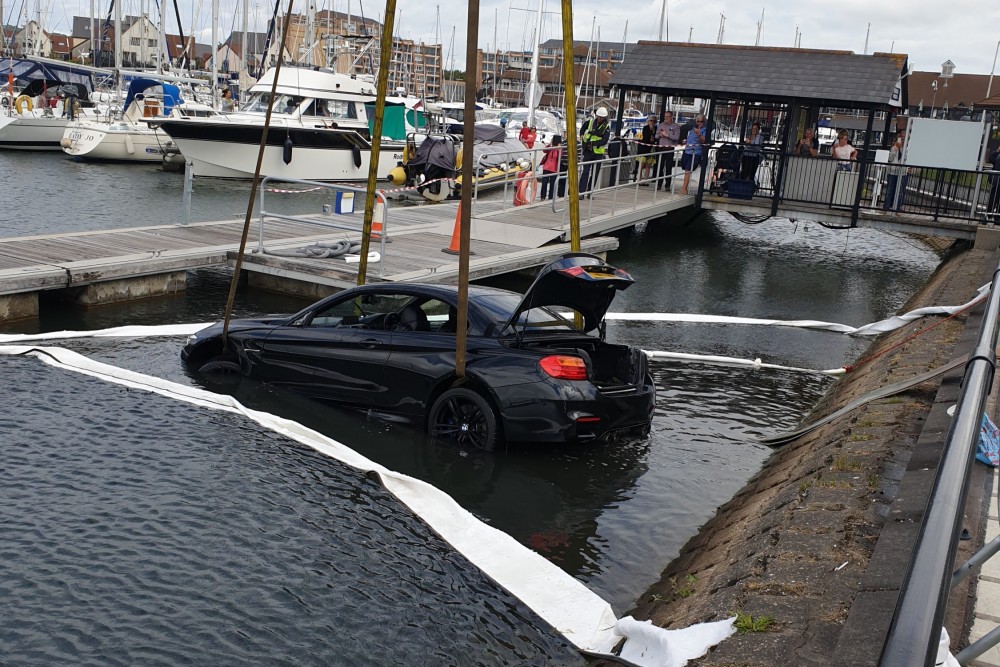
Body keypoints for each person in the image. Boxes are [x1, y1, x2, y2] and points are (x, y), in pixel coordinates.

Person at [579, 107, 611, 197]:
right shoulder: (590, 122)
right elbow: (583, 128)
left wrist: (593, 144)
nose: (600, 118)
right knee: (585, 172)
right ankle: (581, 192)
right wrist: (581, 135)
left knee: (595, 173)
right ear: (596, 115)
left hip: (598, 153)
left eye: (602, 117)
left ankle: (590, 192)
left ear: (604, 117)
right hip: (588, 152)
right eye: (599, 116)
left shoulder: (606, 127)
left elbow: (604, 140)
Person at [680, 114, 707, 195]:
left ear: (704, 122)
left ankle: (684, 189)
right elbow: (689, 139)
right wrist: (685, 141)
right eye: (697, 121)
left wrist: (698, 134)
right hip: (687, 151)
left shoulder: (705, 130)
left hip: (696, 153)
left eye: (701, 122)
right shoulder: (692, 129)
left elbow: (703, 141)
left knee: (688, 170)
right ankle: (684, 188)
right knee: (686, 170)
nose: (699, 123)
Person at [655, 110, 681, 190]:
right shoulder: (661, 125)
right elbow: (656, 136)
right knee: (660, 167)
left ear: (671, 117)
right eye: (665, 116)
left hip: (669, 149)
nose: (666, 118)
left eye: (667, 116)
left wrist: (667, 135)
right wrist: (660, 135)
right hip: (661, 148)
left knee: (668, 167)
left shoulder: (676, 126)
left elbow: (676, 137)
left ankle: (667, 185)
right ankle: (659, 184)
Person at [884, 130, 908, 211]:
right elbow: (890, 158)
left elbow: (905, 158)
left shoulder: (906, 149)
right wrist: (895, 148)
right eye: (901, 138)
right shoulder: (893, 148)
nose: (902, 140)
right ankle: (886, 207)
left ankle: (897, 207)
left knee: (900, 191)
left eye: (904, 139)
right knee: (889, 190)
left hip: (902, 172)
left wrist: (901, 148)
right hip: (892, 171)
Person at [539, 135, 563, 200]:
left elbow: (560, 157)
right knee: (544, 183)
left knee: (552, 184)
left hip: (554, 169)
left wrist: (559, 149)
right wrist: (549, 144)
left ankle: (550, 197)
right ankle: (542, 196)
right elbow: (544, 151)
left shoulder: (560, 149)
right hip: (546, 167)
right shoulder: (550, 147)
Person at [635, 115, 657, 183]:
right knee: (641, 164)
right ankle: (639, 179)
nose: (652, 122)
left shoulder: (656, 128)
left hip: (651, 149)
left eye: (654, 121)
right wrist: (650, 132)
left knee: (648, 165)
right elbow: (645, 138)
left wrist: (653, 140)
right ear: (648, 121)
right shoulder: (645, 128)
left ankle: (646, 180)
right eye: (651, 121)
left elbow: (655, 138)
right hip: (643, 149)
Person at [986, 145, 1000, 219]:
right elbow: (991, 158)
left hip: (996, 182)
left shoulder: (998, 156)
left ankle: (990, 215)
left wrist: (997, 151)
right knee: (993, 199)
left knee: (993, 199)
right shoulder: (998, 156)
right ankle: (993, 217)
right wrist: (997, 151)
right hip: (997, 182)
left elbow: (991, 158)